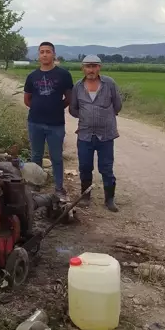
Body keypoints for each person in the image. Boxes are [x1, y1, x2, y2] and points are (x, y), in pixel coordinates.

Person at [68, 54, 122, 212]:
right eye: (88, 66)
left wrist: (104, 117)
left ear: (100, 67)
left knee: (106, 168)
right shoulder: (78, 86)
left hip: (106, 134)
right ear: (82, 68)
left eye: (94, 66)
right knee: (85, 167)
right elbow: (73, 109)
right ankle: (85, 197)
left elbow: (117, 105)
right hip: (85, 134)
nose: (91, 69)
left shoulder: (109, 83)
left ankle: (109, 200)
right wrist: (86, 117)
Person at [24, 41, 73, 198]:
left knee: (57, 156)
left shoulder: (64, 75)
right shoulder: (32, 76)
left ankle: (59, 187)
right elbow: (27, 100)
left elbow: (69, 98)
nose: (45, 54)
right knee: (36, 156)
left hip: (56, 124)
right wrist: (40, 107)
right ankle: (35, 185)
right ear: (39, 55)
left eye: (48, 51)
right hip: (35, 122)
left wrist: (56, 107)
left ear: (53, 54)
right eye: (42, 52)